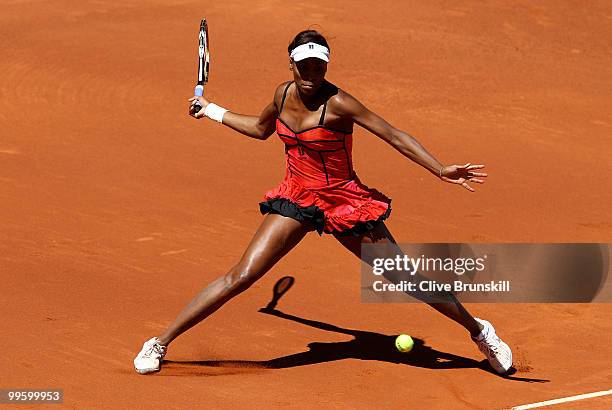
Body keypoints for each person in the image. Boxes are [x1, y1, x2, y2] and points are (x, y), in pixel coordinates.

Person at [134, 30, 512, 375]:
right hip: (298, 196)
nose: (311, 72)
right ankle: (160, 342)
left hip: (344, 202)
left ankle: (480, 331)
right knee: (242, 275)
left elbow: (393, 134)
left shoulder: (340, 104)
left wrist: (439, 169)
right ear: (292, 64)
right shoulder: (282, 94)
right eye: (304, 65)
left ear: (326, 65)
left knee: (407, 279)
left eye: (318, 65)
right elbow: (260, 130)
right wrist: (213, 111)